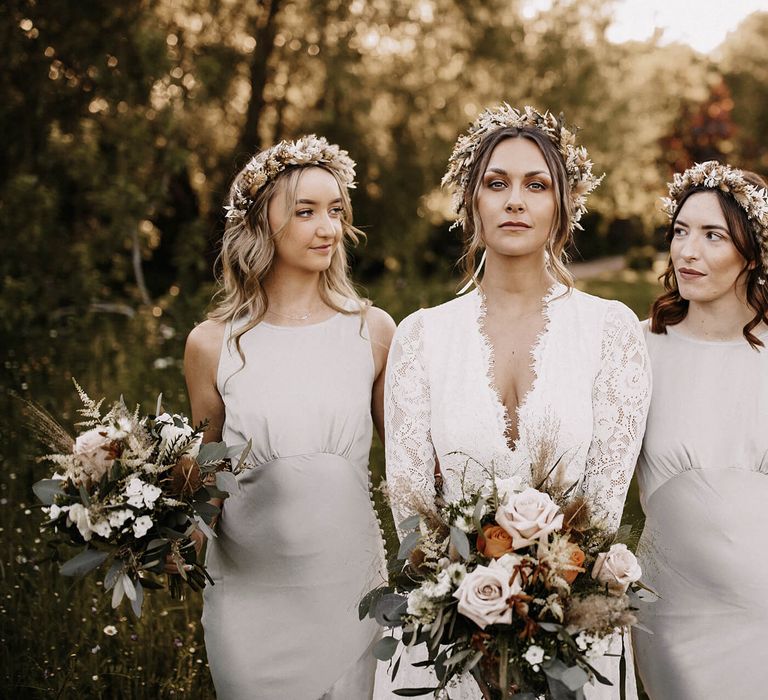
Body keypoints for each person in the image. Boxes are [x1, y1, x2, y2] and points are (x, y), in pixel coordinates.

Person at [373, 104, 651, 700]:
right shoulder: (420, 337)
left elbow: (600, 512)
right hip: (446, 636)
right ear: (471, 203)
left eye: (536, 184)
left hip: (575, 632)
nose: (515, 201)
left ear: (564, 205)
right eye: (496, 184)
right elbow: (411, 507)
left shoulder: (611, 332)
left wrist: (542, 615)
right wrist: (468, 611)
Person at [183, 135, 395, 699]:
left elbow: (406, 469)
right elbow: (208, 478)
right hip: (246, 591)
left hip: (347, 585)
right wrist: (162, 536)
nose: (327, 227)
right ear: (260, 224)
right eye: (305, 212)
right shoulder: (211, 344)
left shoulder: (372, 331)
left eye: (335, 211)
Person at [633, 162, 768, 700]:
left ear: (752, 253)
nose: (687, 251)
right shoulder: (639, 350)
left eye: (712, 235)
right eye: (680, 231)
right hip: (674, 608)